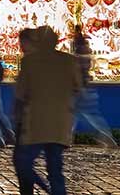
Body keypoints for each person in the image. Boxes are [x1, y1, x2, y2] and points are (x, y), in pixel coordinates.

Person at [14, 26, 82, 195]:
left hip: (36, 123)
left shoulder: (30, 61)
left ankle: (43, 187)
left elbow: (21, 94)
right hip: (60, 124)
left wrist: (15, 117)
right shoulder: (70, 61)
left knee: (23, 162)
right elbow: (78, 88)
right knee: (55, 170)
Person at [71, 24, 114, 147]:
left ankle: (105, 136)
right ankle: (105, 136)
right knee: (85, 115)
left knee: (80, 115)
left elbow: (76, 73)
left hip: (79, 89)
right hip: (85, 87)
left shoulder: (78, 56)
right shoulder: (88, 54)